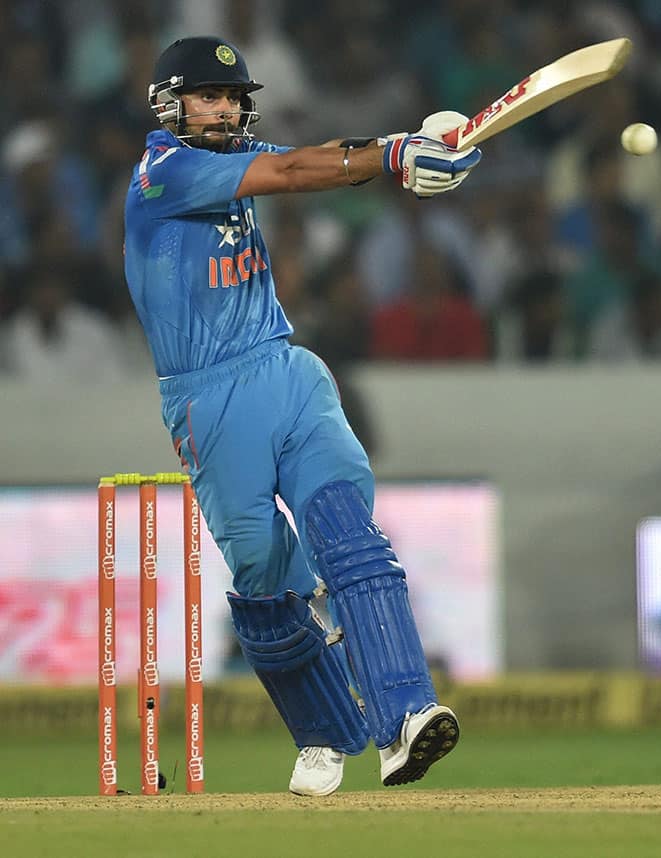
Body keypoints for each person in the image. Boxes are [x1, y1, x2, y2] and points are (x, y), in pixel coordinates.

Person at [124, 35, 481, 796]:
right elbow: (292, 171)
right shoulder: (165, 173)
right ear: (169, 105)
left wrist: (412, 153)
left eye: (232, 98)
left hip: (289, 372)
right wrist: (389, 156)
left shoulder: (233, 160)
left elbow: (319, 162)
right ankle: (325, 735)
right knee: (263, 578)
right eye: (208, 96)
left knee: (348, 532)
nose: (223, 109)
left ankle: (405, 719)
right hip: (209, 399)